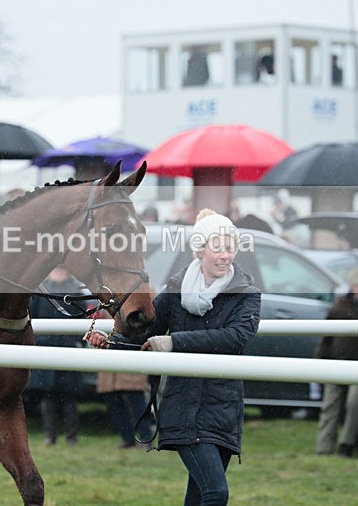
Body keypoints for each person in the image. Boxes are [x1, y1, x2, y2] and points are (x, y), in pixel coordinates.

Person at [84, 209, 261, 505]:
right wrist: (109, 340)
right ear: (200, 251)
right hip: (183, 409)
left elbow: (236, 339)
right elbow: (145, 333)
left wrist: (174, 342)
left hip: (224, 410)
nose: (225, 256)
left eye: (230, 248)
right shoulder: (175, 290)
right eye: (217, 248)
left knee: (199, 497)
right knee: (216, 493)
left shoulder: (248, 294)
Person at [314, 267, 358, 458]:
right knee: (330, 405)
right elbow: (326, 337)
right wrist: (319, 361)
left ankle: (347, 445)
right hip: (337, 363)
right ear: (353, 286)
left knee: (354, 403)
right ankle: (323, 448)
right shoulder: (340, 306)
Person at [27, 266, 89, 446]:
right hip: (45, 348)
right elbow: (32, 316)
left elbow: (81, 317)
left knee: (69, 397)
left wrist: (77, 341)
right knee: (47, 397)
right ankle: (50, 436)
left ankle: (71, 437)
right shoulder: (41, 289)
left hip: (69, 348)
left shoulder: (76, 290)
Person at [97, 371, 153, 449]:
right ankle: (128, 438)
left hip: (132, 372)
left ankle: (146, 438)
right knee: (116, 407)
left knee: (138, 405)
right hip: (109, 376)